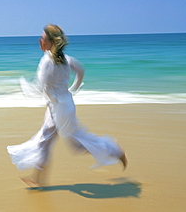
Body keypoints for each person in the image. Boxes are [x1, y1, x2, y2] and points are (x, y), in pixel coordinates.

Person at [7, 24, 127, 187]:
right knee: (43, 142)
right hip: (59, 106)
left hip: (61, 110)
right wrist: (73, 89)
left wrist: (21, 86)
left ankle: (115, 151)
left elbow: (37, 87)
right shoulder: (65, 59)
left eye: (42, 38)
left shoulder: (47, 62)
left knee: (76, 145)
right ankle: (37, 179)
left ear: (50, 42)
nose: (39, 40)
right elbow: (80, 70)